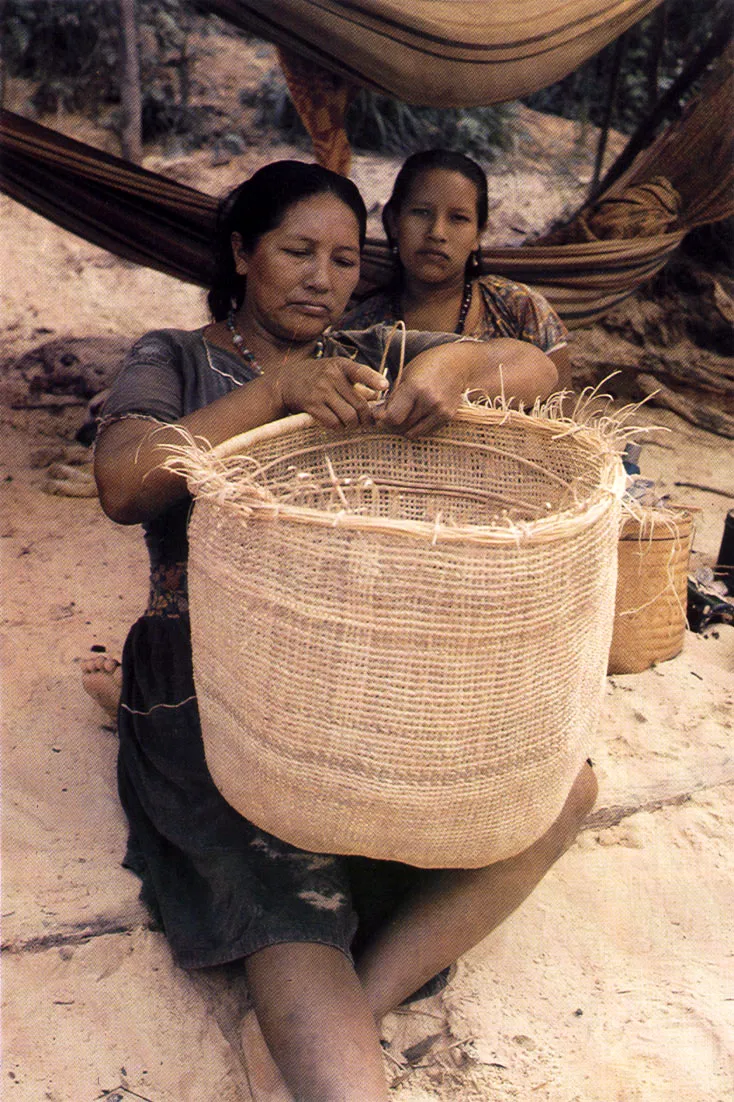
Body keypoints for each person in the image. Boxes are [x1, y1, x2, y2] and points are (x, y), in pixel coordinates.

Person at [87, 160, 596, 1102]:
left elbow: (544, 368)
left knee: (557, 793)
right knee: (295, 885)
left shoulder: (369, 348)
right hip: (211, 678)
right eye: (295, 251)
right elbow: (123, 480)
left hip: (360, 670)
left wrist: (451, 363)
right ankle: (337, 1051)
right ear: (241, 254)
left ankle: (359, 999)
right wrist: (274, 396)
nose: (323, 278)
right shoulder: (177, 357)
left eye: (341, 257)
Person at [343, 148, 574, 393]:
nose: (437, 232)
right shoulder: (362, 330)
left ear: (478, 234)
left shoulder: (519, 308)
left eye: (458, 218)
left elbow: (562, 418)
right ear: (393, 221)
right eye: (421, 212)